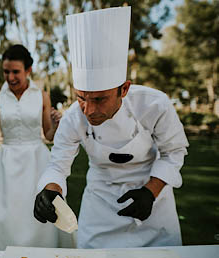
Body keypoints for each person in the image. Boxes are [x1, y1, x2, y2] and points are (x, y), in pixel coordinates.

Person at [32, 7, 186, 249]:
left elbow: (174, 153)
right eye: (81, 97)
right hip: (100, 205)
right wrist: (50, 190)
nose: (88, 110)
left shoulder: (155, 104)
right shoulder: (74, 116)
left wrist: (150, 192)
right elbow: (58, 164)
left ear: (123, 89)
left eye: (100, 99)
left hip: (153, 202)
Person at [0, 45, 71, 250]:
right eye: (6, 71)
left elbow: (48, 134)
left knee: (40, 210)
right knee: (3, 214)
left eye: (16, 71)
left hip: (37, 160)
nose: (10, 77)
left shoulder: (41, 95)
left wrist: (56, 124)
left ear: (28, 70)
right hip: (6, 163)